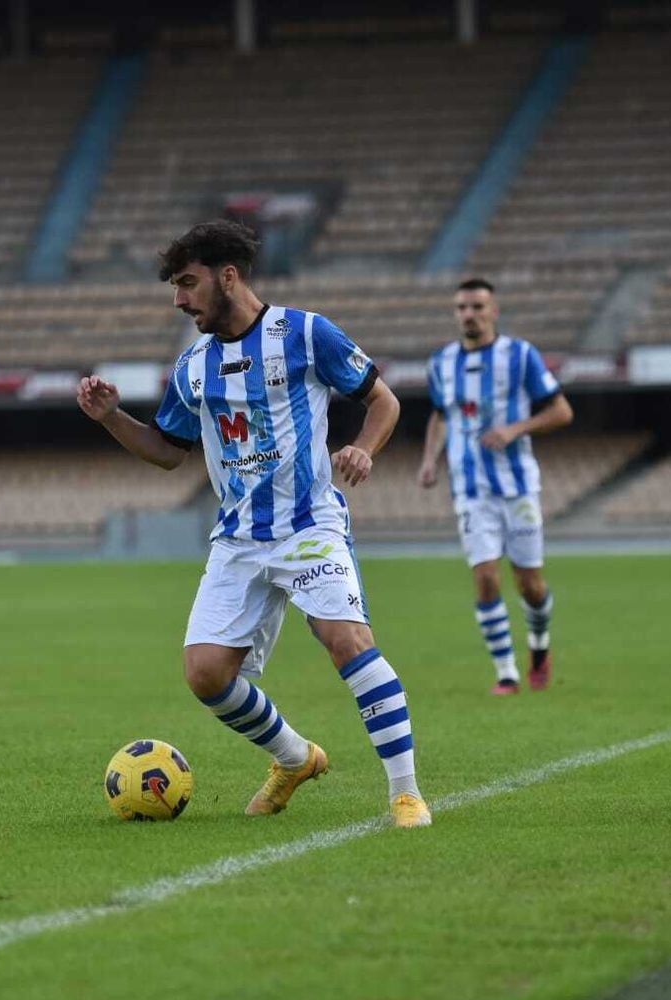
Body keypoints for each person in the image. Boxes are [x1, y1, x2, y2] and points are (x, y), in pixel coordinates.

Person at [76, 220, 430, 828]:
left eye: (188, 283)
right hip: (237, 538)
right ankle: (294, 759)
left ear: (229, 276)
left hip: (309, 525)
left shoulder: (305, 333)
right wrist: (112, 418)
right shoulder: (191, 368)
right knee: (206, 674)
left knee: (347, 641)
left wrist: (364, 448)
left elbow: (384, 401)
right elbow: (167, 451)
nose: (180, 300)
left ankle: (405, 793)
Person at [417, 278, 573, 696]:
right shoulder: (441, 363)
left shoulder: (520, 356)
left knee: (530, 584)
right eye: (462, 307)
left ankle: (539, 645)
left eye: (477, 306)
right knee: (486, 577)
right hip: (470, 490)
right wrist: (431, 459)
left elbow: (562, 411)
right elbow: (441, 414)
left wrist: (516, 428)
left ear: (493, 311)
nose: (469, 314)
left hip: (517, 488)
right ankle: (506, 673)